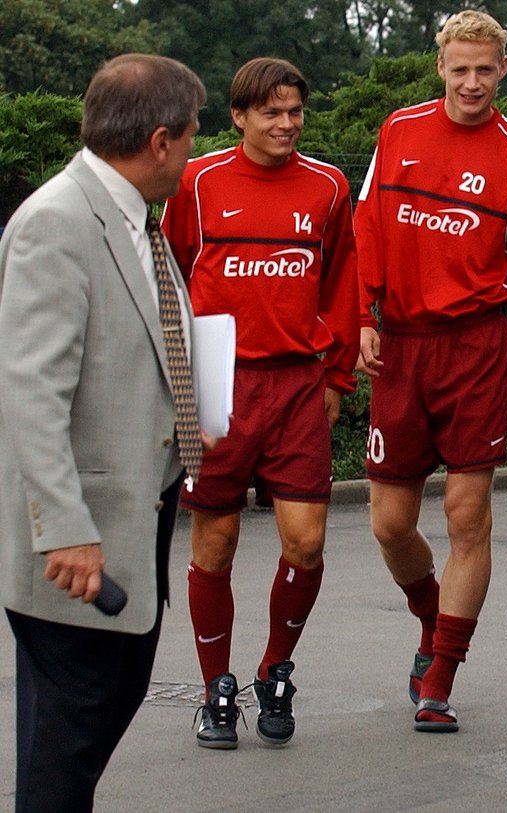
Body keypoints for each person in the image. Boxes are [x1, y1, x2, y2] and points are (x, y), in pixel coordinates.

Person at [0, 54, 205, 811]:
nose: (193, 150)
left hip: (132, 523)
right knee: (67, 743)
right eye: (190, 135)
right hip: (77, 546)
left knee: (82, 735)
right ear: (159, 140)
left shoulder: (131, 219)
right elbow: (29, 390)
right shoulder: (58, 222)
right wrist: (64, 529)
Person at [354, 9, 507, 734]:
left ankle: (439, 675)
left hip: (475, 349)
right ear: (441, 67)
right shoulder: (399, 131)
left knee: (467, 516)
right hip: (402, 345)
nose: (472, 82)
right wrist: (364, 318)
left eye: (485, 69)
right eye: (459, 68)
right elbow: (364, 223)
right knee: (389, 522)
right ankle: (432, 615)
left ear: (503, 70)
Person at [162, 57, 359, 749]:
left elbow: (341, 280)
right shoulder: (197, 182)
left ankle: (276, 668)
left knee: (305, 542)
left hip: (297, 381)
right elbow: (170, 279)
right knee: (214, 543)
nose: (286, 124)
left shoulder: (330, 185)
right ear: (239, 116)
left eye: (295, 111)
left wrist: (337, 378)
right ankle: (216, 687)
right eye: (271, 112)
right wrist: (178, 388)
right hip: (214, 381)